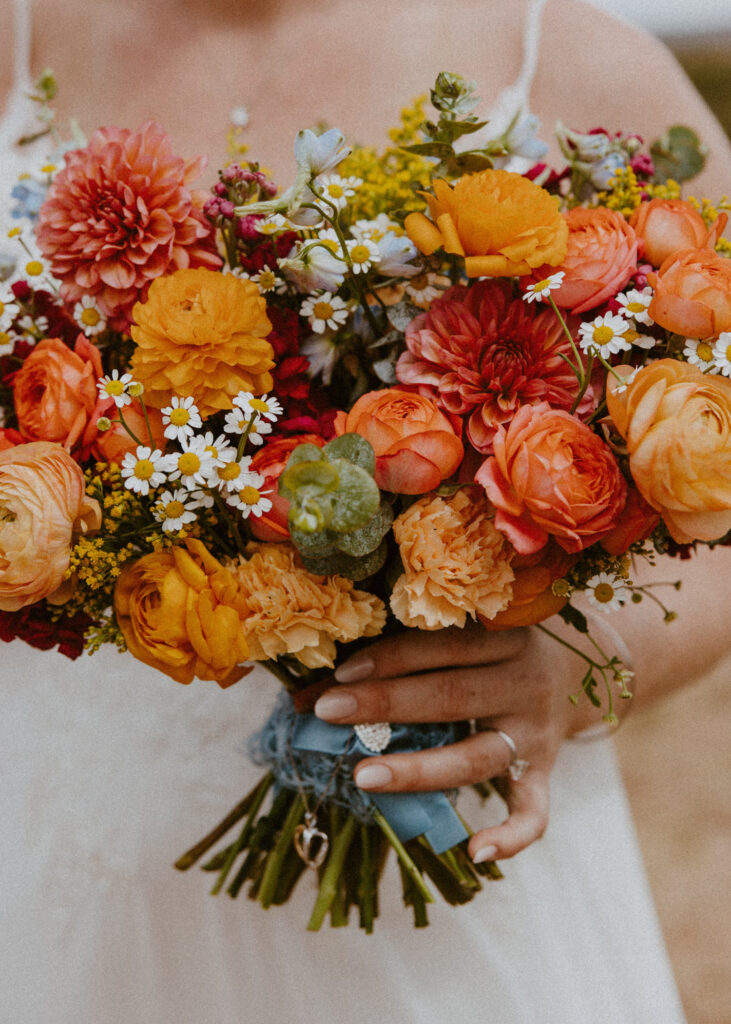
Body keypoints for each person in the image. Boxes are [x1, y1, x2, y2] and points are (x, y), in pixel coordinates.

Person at [0, 1, 729, 1021]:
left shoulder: (575, 60)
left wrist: (572, 665)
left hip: (440, 878)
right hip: (61, 831)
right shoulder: (18, 40)